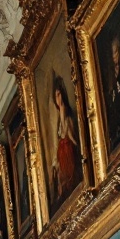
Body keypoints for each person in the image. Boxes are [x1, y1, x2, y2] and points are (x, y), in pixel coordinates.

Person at [51, 75, 80, 206]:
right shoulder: (59, 117)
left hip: (68, 150)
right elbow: (59, 137)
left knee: (71, 179)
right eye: (56, 95)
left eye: (60, 94)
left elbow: (70, 134)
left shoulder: (68, 113)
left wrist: (77, 145)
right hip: (62, 152)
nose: (59, 98)